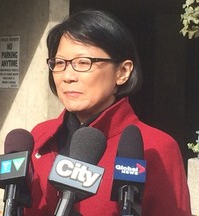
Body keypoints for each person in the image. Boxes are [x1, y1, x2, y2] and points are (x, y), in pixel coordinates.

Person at [24, 10, 191, 216]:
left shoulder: (156, 147)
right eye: (59, 63)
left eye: (83, 63)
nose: (67, 76)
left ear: (122, 72)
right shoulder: (40, 137)